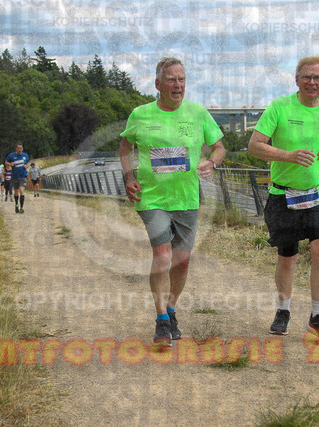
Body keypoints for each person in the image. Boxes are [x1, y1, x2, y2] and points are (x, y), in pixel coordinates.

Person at [119, 57, 226, 347]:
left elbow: (219, 147)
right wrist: (128, 176)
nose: (177, 85)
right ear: (158, 84)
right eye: (171, 79)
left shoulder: (197, 113)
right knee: (163, 255)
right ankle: (162, 321)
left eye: (181, 79)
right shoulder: (141, 114)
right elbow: (125, 145)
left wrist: (212, 162)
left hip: (186, 197)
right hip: (152, 198)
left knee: (182, 260)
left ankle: (171, 308)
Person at [247, 55, 319, 343]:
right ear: (297, 80)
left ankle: (318, 315)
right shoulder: (280, 107)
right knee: (287, 256)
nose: (312, 82)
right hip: (284, 193)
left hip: (318, 189)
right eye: (307, 77)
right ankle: (283, 310)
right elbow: (254, 145)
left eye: (318, 78)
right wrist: (288, 155)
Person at [5, 144, 29, 213]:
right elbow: (6, 162)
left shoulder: (25, 155)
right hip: (15, 176)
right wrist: (10, 164)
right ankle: (16, 205)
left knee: (21, 190)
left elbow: (28, 162)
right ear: (16, 149)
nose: (20, 150)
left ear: (22, 148)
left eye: (21, 148)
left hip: (23, 175)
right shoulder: (12, 155)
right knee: (16, 192)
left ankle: (21, 207)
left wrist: (26, 165)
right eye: (18, 148)